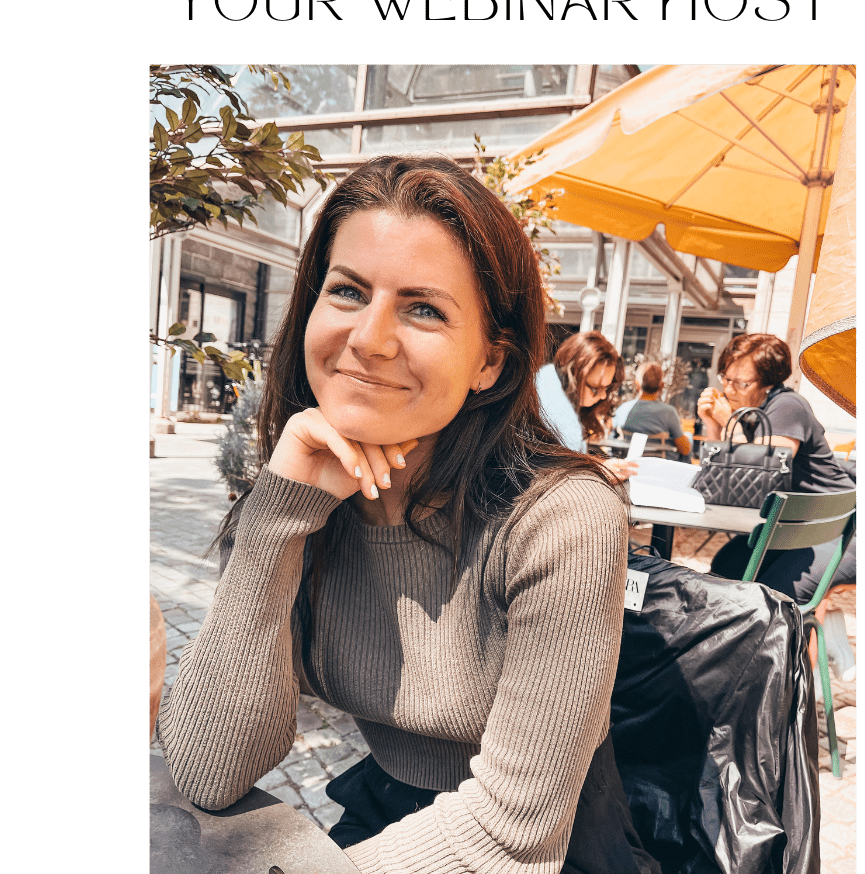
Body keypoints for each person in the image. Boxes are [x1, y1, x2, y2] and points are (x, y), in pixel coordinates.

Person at [157, 156, 659, 874]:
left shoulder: (562, 519)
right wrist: (275, 516)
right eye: (348, 291)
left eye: (423, 308)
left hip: (549, 846)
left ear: (490, 361)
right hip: (388, 817)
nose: (370, 338)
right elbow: (208, 770)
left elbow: (514, 833)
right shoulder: (299, 502)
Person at [700, 333, 856, 608]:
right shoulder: (752, 411)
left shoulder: (786, 407)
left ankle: (791, 637)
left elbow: (756, 480)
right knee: (726, 566)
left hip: (841, 532)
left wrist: (730, 423)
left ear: (768, 383)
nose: (728, 389)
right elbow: (720, 477)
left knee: (774, 597)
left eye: (741, 383)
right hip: (799, 528)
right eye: (725, 378)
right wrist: (712, 423)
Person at [536, 330, 637, 480]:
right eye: (596, 388)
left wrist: (600, 465)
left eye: (607, 388)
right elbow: (565, 472)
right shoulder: (555, 411)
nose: (603, 395)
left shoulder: (546, 381)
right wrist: (600, 469)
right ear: (573, 375)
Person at [614, 363, 691, 459]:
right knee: (688, 438)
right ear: (662, 386)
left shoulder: (623, 409)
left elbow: (613, 436)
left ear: (637, 384)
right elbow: (685, 450)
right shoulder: (669, 412)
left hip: (628, 461)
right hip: (660, 464)